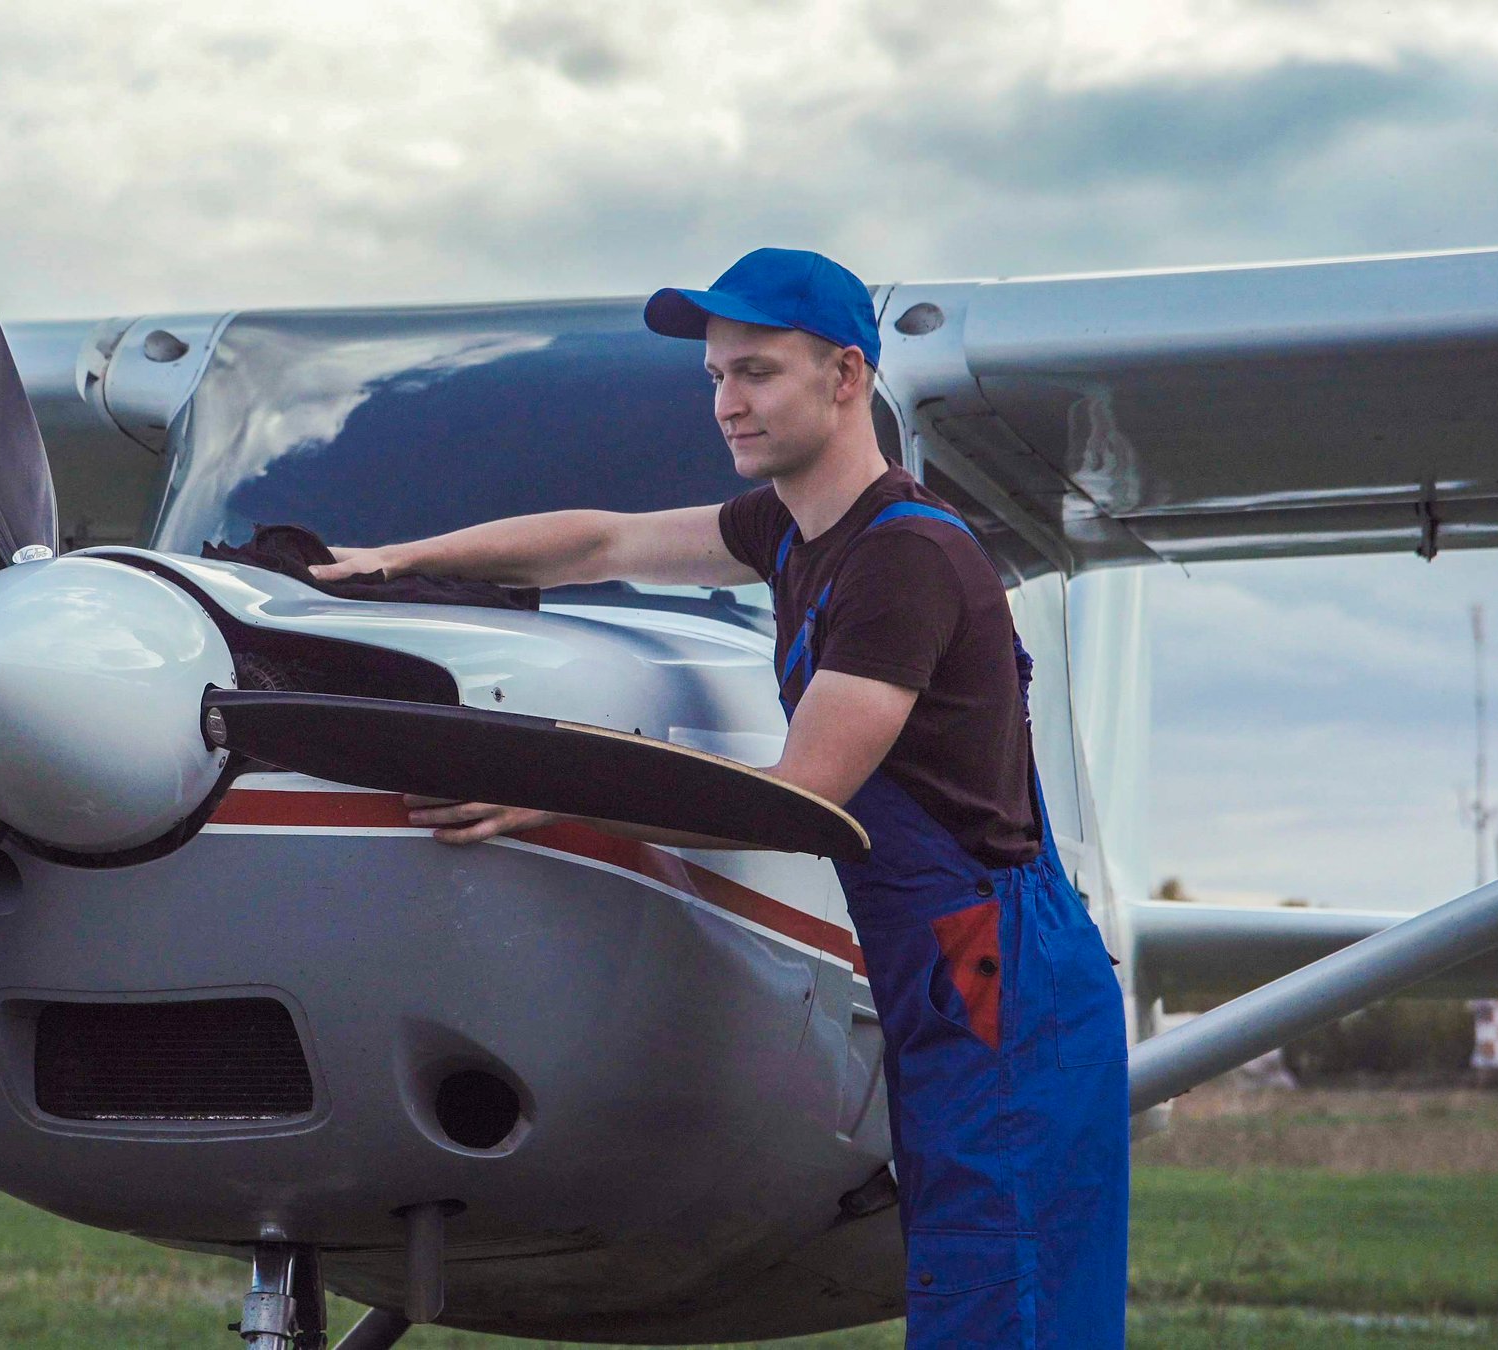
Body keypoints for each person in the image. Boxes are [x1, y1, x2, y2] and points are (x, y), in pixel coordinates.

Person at [308, 248, 1130, 1347]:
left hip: (998, 972)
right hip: (943, 959)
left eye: (755, 373)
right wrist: (393, 561)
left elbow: (795, 800)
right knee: (970, 1282)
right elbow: (602, 541)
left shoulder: (906, 562)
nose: (725, 403)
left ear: (845, 377)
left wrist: (552, 799)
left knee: (1005, 1299)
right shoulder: (790, 529)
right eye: (712, 378)